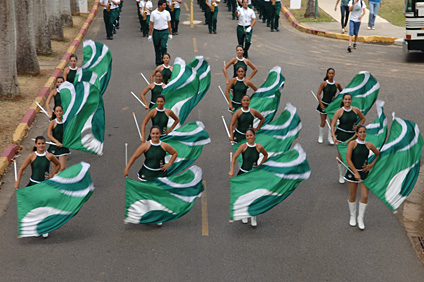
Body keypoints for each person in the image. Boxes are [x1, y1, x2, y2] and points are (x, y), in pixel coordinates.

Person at [229, 128, 268, 226]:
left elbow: (265, 155)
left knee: (254, 196)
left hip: (254, 175)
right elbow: (234, 157)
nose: (249, 137)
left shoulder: (259, 147)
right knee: (244, 196)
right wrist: (232, 170)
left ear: (254, 136)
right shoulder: (243, 146)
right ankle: (244, 215)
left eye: (250, 135)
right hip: (243, 174)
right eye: (247, 136)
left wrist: (260, 165)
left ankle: (253, 216)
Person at [345, 125, 379, 230]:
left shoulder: (369, 145)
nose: (362, 134)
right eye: (360, 132)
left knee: (364, 196)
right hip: (352, 172)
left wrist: (371, 165)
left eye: (364, 132)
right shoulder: (352, 143)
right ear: (356, 133)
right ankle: (352, 216)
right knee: (353, 195)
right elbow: (348, 159)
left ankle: (360, 218)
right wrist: (355, 172)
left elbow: (379, 154)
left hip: (364, 173)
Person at [331, 93, 366, 183]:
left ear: (351, 100)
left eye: (349, 99)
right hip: (341, 136)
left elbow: (363, 118)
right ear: (343, 100)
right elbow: (333, 124)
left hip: (352, 136)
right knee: (341, 156)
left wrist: (357, 127)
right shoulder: (339, 111)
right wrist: (334, 136)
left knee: (351, 155)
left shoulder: (355, 110)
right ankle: (341, 175)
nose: (347, 101)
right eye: (345, 99)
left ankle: (348, 171)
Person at [316, 68, 343, 145]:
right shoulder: (324, 83)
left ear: (334, 74)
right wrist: (321, 104)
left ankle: (330, 137)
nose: (331, 75)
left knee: (332, 123)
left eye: (332, 73)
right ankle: (320, 136)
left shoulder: (337, 84)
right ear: (327, 74)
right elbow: (318, 94)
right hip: (324, 104)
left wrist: (337, 99)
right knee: (323, 122)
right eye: (330, 73)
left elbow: (342, 93)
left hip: (332, 106)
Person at [149, 0, 173, 66]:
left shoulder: (167, 13)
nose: (165, 6)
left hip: (164, 31)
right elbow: (151, 24)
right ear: (160, 6)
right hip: (156, 32)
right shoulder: (153, 13)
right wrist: (150, 34)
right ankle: (158, 63)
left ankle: (164, 61)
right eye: (164, 5)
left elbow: (169, 23)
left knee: (163, 46)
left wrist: (170, 33)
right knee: (157, 47)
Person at [47, 106, 71, 172]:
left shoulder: (66, 122)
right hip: (54, 146)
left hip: (63, 146)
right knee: (55, 170)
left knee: (62, 168)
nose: (59, 113)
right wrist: (56, 142)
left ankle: (62, 181)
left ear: (62, 112)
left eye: (60, 111)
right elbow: (49, 135)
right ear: (54, 113)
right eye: (57, 111)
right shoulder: (52, 122)